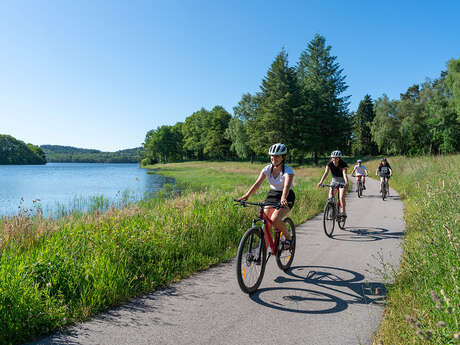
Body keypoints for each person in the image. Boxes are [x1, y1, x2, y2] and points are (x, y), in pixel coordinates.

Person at [236, 143, 295, 249]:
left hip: (286, 195)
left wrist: (283, 198)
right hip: (272, 194)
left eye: (277, 156)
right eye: (272, 156)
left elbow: (286, 185)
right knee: (266, 224)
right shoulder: (267, 169)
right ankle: (263, 252)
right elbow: (257, 183)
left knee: (275, 219)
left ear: (283, 157)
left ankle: (289, 238)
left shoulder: (288, 170)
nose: (274, 158)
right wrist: (247, 195)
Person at [317, 150, 349, 217]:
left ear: (339, 158)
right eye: (333, 157)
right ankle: (332, 210)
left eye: (336, 158)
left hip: (342, 181)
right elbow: (326, 173)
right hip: (334, 181)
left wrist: (346, 182)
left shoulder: (343, 164)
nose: (334, 159)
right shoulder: (329, 164)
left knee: (341, 197)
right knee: (330, 197)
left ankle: (343, 212)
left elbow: (344, 174)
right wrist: (321, 182)